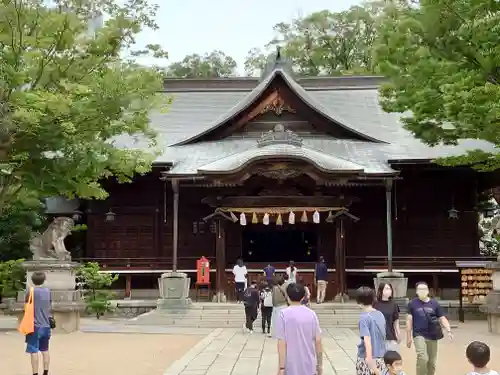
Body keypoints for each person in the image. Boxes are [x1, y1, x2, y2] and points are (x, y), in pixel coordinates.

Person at [275, 283, 323, 375]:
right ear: (303, 297)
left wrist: (281, 367)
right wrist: (319, 365)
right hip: (310, 365)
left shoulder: (283, 314)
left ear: (287, 296)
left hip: (291, 366)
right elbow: (318, 341)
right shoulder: (311, 314)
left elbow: (282, 343)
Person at [406, 281, 453, 375]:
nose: (422, 291)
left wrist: (449, 330)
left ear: (428, 290)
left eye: (424, 289)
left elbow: (442, 318)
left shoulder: (434, 303)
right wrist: (408, 337)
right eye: (420, 289)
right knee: (422, 357)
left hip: (433, 334)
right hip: (418, 334)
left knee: (432, 362)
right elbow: (409, 320)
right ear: (416, 291)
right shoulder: (412, 304)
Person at [356, 286, 387, 375]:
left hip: (367, 358)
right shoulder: (380, 314)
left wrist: (369, 360)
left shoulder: (363, 318)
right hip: (381, 357)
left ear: (359, 302)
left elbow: (367, 341)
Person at [25, 272, 52, 375]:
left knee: (34, 350)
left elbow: (27, 304)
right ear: (44, 280)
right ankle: (45, 372)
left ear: (32, 280)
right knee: (45, 350)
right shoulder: (48, 291)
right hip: (46, 324)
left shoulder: (30, 291)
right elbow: (49, 304)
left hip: (34, 325)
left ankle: (35, 373)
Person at [374, 282, 401, 351]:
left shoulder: (394, 304)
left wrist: (398, 334)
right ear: (381, 290)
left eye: (390, 289)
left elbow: (396, 321)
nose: (389, 291)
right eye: (386, 289)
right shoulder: (375, 304)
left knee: (393, 359)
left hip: (390, 337)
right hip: (377, 338)